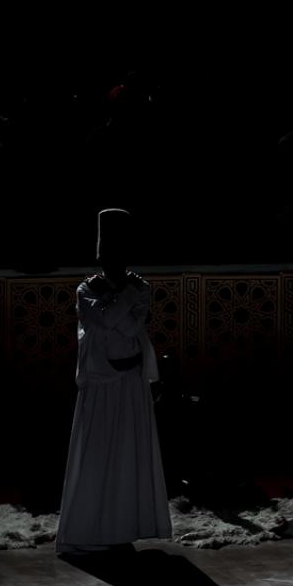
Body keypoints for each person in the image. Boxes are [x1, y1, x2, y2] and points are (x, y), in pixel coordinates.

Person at [56, 209, 171, 554]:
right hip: (101, 381)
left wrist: (116, 300)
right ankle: (90, 529)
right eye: (110, 258)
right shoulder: (86, 289)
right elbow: (105, 322)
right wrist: (123, 296)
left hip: (131, 381)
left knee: (128, 455)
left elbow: (131, 327)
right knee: (97, 454)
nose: (115, 264)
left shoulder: (140, 287)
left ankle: (123, 528)